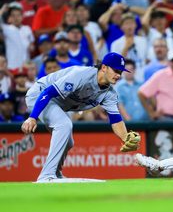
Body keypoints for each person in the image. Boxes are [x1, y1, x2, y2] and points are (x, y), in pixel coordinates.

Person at [21, 52, 141, 182]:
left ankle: (56, 173)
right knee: (64, 126)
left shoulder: (109, 94)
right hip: (39, 96)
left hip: (58, 104)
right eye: (115, 70)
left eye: (121, 72)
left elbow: (116, 119)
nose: (118, 75)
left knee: (69, 141)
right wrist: (33, 117)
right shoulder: (81, 75)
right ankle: (46, 175)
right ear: (104, 67)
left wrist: (124, 138)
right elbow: (48, 92)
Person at [138, 48, 173, 121]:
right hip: (165, 118)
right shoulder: (160, 75)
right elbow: (141, 93)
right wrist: (151, 113)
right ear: (168, 62)